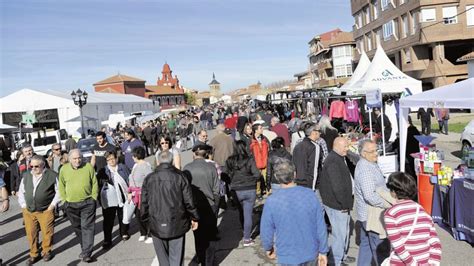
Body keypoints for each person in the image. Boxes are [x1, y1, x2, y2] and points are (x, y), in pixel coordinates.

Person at [260, 158, 328, 265]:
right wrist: (323, 251)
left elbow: (266, 229)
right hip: (310, 252)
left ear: (277, 178)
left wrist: (268, 247)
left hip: (287, 255)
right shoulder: (310, 194)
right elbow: (320, 225)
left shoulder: (272, 200)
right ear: (295, 174)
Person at [141, 151, 199, 266]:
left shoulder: (149, 178)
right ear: (172, 161)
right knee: (176, 259)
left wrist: (146, 221)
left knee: (163, 259)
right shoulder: (180, 177)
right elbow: (189, 201)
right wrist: (194, 217)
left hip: (156, 223)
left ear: (158, 162)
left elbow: (144, 203)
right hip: (177, 222)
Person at [383, 172, 442, 265]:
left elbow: (398, 246)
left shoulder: (390, 214)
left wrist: (413, 264)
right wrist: (433, 263)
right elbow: (435, 242)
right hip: (424, 261)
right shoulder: (422, 210)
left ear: (394, 192)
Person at [319, 137, 355, 266]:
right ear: (337, 146)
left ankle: (342, 256)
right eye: (345, 146)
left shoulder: (338, 158)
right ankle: (336, 261)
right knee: (339, 234)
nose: (347, 149)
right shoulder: (334, 161)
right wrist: (344, 204)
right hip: (337, 204)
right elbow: (337, 187)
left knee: (343, 231)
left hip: (340, 203)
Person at [17, 155, 59, 264]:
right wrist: (23, 205)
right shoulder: (26, 175)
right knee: (31, 233)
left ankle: (46, 251)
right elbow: (21, 191)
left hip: (45, 209)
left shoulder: (52, 175)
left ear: (43, 165)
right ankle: (34, 254)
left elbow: (59, 191)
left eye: (36, 166)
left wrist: (52, 206)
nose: (34, 168)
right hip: (29, 210)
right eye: (31, 166)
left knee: (47, 232)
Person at [354, 140, 390, 266]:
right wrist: (388, 204)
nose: (376, 154)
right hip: (372, 217)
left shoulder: (369, 163)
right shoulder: (366, 170)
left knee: (366, 247)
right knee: (380, 250)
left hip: (366, 216)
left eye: (377, 150)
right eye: (372, 151)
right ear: (364, 153)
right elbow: (369, 195)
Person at [58, 149, 98, 263]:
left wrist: (94, 198)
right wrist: (64, 201)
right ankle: (84, 247)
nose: (77, 160)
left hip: (87, 203)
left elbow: (94, 182)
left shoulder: (88, 167)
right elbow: (61, 185)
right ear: (70, 159)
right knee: (78, 227)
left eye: (79, 158)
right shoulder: (64, 169)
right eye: (75, 158)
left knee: (87, 227)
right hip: (70, 205)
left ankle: (87, 253)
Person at [183, 145, 220, 266]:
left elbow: (184, 191)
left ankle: (201, 257)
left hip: (194, 207)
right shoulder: (211, 167)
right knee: (210, 235)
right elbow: (216, 190)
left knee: (198, 236)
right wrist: (216, 205)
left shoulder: (187, 168)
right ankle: (208, 261)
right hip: (210, 205)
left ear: (194, 154)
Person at [225, 140, 260, 247]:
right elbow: (257, 174)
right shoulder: (249, 160)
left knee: (241, 211)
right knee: (248, 214)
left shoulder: (230, 160)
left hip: (236, 190)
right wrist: (251, 180)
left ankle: (244, 228)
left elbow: (226, 175)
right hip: (249, 189)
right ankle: (247, 238)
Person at [97, 151, 130, 249]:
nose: (111, 161)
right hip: (109, 198)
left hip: (123, 195)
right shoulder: (103, 171)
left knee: (123, 216)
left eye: (112, 158)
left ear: (116, 158)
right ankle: (107, 240)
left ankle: (124, 232)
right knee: (108, 220)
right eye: (108, 159)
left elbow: (129, 178)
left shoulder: (123, 167)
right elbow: (99, 186)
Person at [129, 146, 153, 243]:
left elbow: (150, 180)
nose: (132, 157)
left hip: (144, 193)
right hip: (136, 194)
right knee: (138, 214)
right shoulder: (135, 165)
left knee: (146, 214)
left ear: (137, 155)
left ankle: (151, 234)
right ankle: (143, 233)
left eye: (133, 155)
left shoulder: (145, 165)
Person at [293, 122, 324, 191]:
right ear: (313, 132)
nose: (320, 133)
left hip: (298, 181)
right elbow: (314, 168)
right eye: (319, 131)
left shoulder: (298, 145)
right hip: (310, 184)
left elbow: (294, 165)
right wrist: (312, 189)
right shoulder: (315, 146)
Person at [250, 122, 270, 198]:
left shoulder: (265, 139)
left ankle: (266, 191)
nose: (262, 129)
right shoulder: (251, 140)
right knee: (257, 179)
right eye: (260, 128)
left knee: (266, 178)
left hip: (265, 162)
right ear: (255, 130)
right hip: (256, 164)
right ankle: (258, 193)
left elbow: (269, 149)